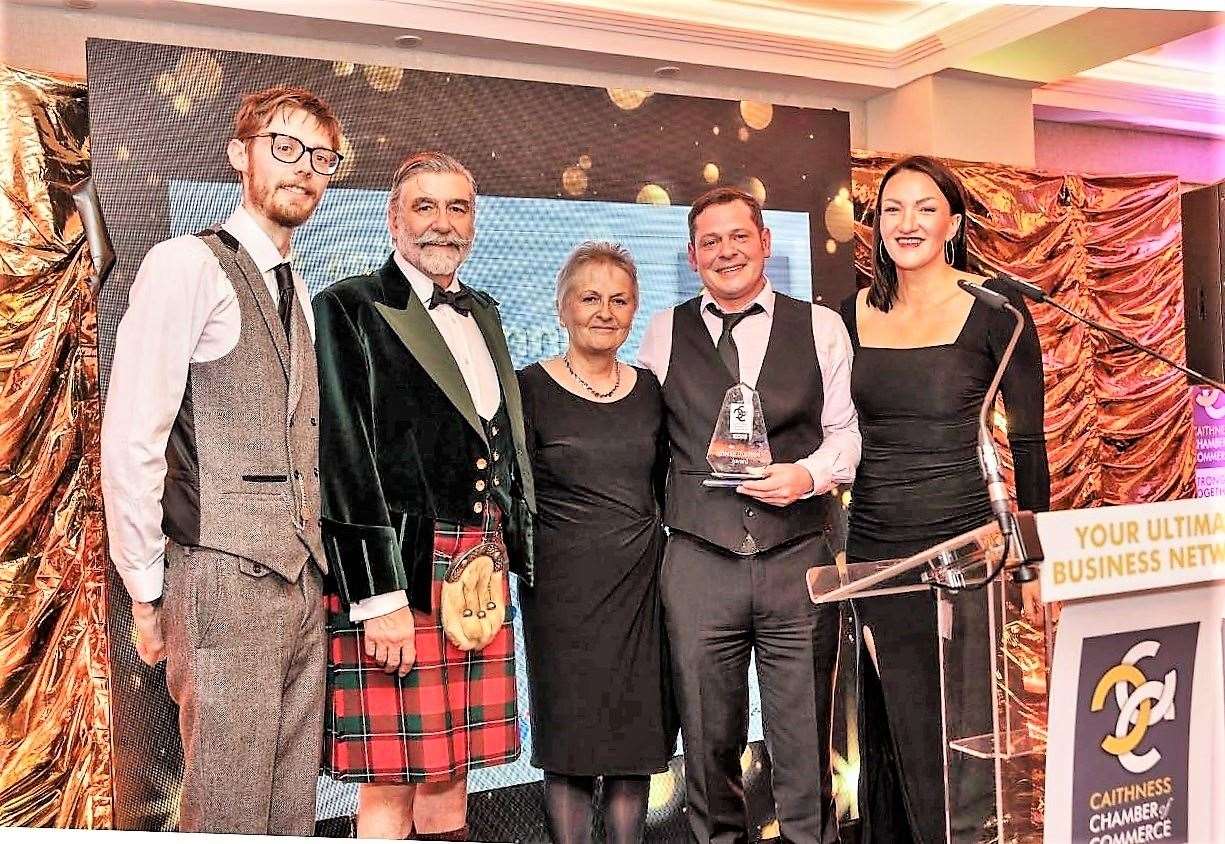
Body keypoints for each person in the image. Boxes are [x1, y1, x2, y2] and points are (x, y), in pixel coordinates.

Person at [100, 85, 342, 834]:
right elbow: (135, 432)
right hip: (220, 576)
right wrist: (144, 590)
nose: (303, 169)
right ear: (241, 154)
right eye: (285, 146)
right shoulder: (187, 264)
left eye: (322, 158)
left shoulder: (298, 283)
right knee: (228, 810)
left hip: (302, 579)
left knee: (291, 807)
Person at [314, 151, 534, 841]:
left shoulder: (487, 311)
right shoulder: (348, 306)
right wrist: (377, 599)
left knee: (452, 778)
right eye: (425, 207)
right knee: (389, 790)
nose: (443, 224)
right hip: (403, 577)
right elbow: (342, 457)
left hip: (478, 572)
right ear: (393, 218)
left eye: (458, 208)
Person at [838, 154, 1050, 844]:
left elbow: (1029, 445)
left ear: (952, 222)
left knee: (963, 728)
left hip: (968, 550)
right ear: (875, 225)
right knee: (898, 723)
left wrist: (1029, 559)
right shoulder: (847, 315)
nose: (906, 222)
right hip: (875, 551)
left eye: (924, 208)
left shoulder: (997, 311)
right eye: (892, 208)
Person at [639, 186, 861, 844]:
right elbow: (640, 438)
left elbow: (846, 436)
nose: (725, 251)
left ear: (765, 242)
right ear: (691, 256)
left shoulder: (819, 326)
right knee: (707, 750)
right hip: (698, 564)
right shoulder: (662, 330)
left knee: (802, 747)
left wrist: (805, 477)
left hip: (797, 559)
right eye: (710, 241)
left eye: (739, 236)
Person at [518, 242, 677, 844]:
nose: (604, 312)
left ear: (635, 309)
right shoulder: (528, 387)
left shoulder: (650, 391)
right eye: (590, 298)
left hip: (642, 588)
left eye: (619, 299)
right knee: (571, 749)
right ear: (563, 308)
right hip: (561, 594)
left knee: (633, 750)